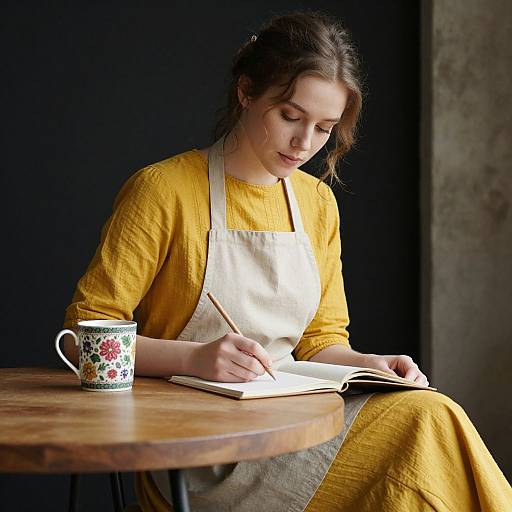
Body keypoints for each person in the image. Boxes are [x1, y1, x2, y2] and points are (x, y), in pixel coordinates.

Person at [62, 9, 512, 512]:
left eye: (325, 128)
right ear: (246, 92)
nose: (305, 144)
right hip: (194, 448)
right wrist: (195, 358)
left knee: (430, 416)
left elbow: (320, 344)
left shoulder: (318, 204)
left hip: (293, 420)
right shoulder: (163, 190)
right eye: (290, 117)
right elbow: (86, 336)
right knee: (425, 431)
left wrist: (372, 366)